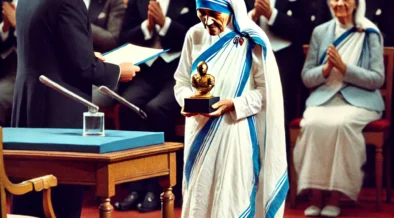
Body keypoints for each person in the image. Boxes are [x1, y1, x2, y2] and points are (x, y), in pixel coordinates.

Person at [11, 0, 140, 217]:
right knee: (59, 198)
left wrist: (90, 57)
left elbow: (49, 48)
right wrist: (117, 71)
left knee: (29, 197)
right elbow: (84, 68)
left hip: (28, 103)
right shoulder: (69, 2)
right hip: (57, 110)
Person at [174, 0, 288, 217]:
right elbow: (181, 81)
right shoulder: (194, 35)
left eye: (213, 13)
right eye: (201, 13)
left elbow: (266, 93)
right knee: (199, 195)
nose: (207, 20)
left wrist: (233, 104)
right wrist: (187, 101)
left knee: (231, 197)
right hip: (198, 126)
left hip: (235, 130)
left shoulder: (251, 39)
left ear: (230, 8)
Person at [293, 0, 384, 217]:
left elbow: (377, 79)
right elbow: (307, 77)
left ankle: (335, 198)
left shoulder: (369, 32)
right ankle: (316, 197)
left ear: (356, 3)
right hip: (324, 98)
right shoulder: (320, 32)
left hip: (359, 101)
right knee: (313, 124)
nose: (339, 3)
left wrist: (345, 69)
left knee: (340, 125)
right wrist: (325, 70)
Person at [111, 0, 198, 212]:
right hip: (147, 70)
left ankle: (166, 188)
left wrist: (164, 23)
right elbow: (123, 37)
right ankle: (138, 186)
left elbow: (196, 37)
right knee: (128, 107)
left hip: (179, 72)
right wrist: (146, 27)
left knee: (156, 109)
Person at [0, 0, 17, 127]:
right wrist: (4, 28)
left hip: (43, 70)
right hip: (9, 69)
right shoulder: (5, 3)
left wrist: (20, 24)